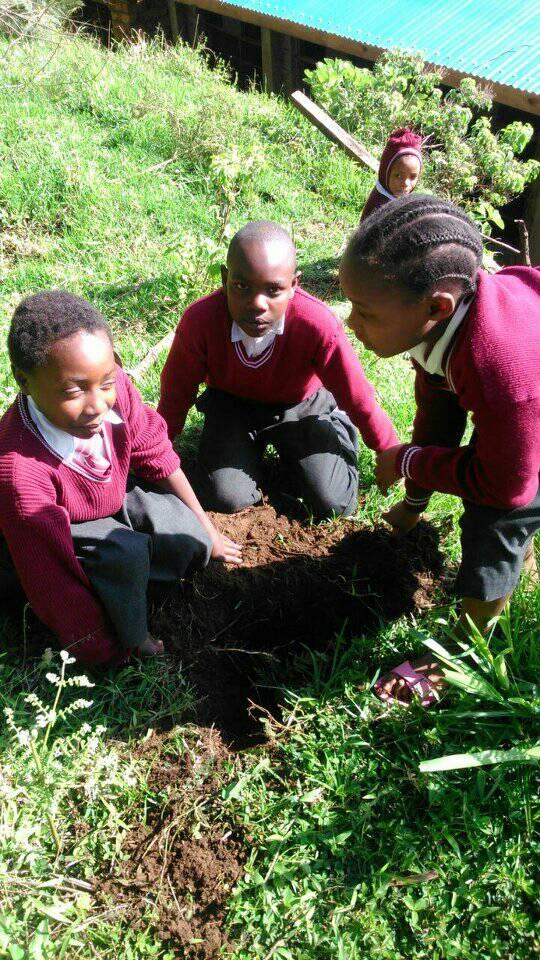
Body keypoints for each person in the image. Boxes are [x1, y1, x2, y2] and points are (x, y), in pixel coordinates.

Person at [340, 194, 540, 706]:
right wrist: (413, 503)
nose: (351, 324)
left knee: (496, 519)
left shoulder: (501, 372)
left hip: (527, 401)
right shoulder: (445, 325)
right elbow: (438, 414)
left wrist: (407, 459)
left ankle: (464, 651)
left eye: (365, 312)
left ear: (435, 307)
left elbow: (505, 487)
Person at [0, 291, 242, 665]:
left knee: (186, 536)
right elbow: (51, 580)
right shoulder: (20, 473)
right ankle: (126, 619)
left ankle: (126, 588)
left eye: (106, 383)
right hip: (54, 535)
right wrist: (107, 647)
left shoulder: (115, 391)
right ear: (25, 381)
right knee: (124, 556)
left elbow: (156, 453)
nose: (97, 405)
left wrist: (207, 529)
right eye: (73, 391)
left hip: (108, 499)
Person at [157, 220, 398, 520]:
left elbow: (357, 394)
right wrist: (158, 448)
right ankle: (253, 455)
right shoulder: (201, 321)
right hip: (233, 406)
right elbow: (176, 391)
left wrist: (388, 450)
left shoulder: (316, 324)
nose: (257, 303)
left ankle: (335, 428)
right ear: (225, 278)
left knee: (332, 503)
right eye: (241, 286)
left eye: (273, 290)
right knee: (225, 497)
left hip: (300, 405)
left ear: (294, 285)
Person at [361, 128, 423, 222]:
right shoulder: (379, 207)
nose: (405, 183)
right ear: (385, 173)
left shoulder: (399, 198)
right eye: (398, 176)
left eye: (413, 177)